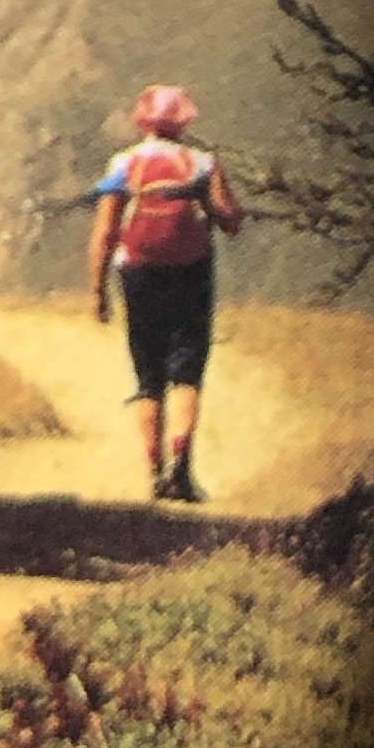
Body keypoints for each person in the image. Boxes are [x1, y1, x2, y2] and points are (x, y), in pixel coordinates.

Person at [87, 83, 245, 502]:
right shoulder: (202, 164)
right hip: (191, 272)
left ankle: (154, 473)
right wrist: (213, 208)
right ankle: (182, 467)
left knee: (148, 375)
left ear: (143, 121)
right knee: (186, 371)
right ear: (184, 122)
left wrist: (98, 292)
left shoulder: (124, 164)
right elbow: (231, 221)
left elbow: (105, 233)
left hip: (138, 274)